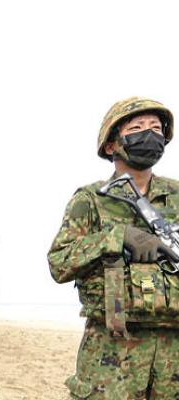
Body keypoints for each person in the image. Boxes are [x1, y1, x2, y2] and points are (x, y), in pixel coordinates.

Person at [48, 97, 179, 399]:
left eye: (156, 128)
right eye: (137, 128)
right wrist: (117, 238)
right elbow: (59, 262)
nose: (150, 135)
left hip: (173, 354)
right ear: (111, 144)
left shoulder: (176, 195)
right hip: (112, 353)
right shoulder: (91, 199)